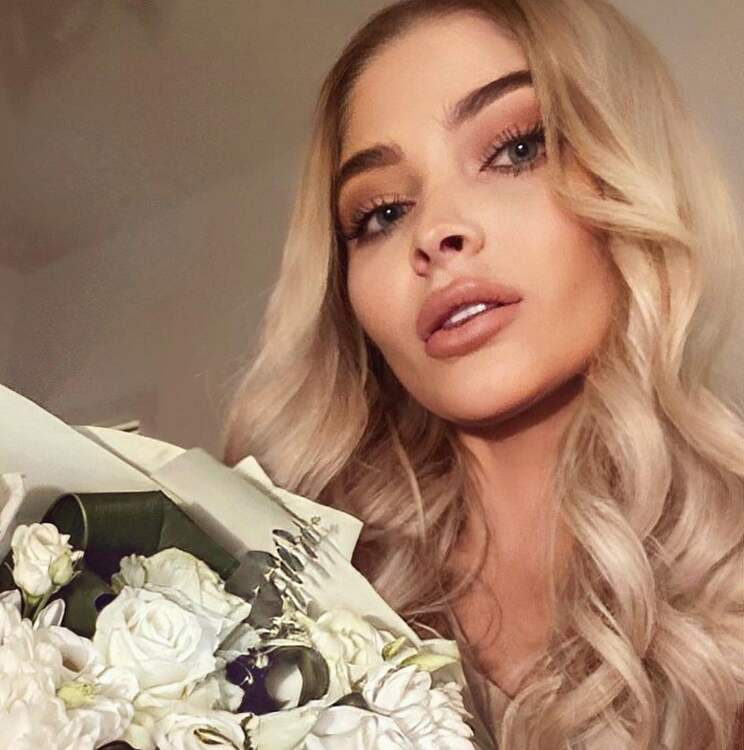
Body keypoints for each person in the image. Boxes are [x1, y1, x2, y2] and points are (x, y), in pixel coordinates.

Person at [220, 0, 744, 747]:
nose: (435, 233)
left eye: (517, 149)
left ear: (630, 174)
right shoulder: (294, 603)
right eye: (383, 213)